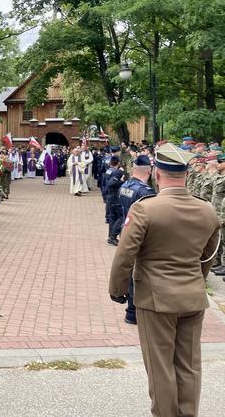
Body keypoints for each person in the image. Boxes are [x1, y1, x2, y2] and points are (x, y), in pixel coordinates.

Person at [109, 143, 220, 417]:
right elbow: (208, 257)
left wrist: (118, 289)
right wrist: (196, 281)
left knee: (160, 368)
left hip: (155, 299)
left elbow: (125, 254)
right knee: (189, 366)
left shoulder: (146, 209)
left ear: (156, 172)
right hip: (192, 297)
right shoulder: (207, 210)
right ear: (185, 174)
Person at [116, 155, 155, 325]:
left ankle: (131, 311)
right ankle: (134, 311)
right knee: (137, 274)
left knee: (130, 270)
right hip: (140, 235)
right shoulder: (145, 192)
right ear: (149, 171)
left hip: (126, 231)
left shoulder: (126, 185)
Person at [104, 156, 125, 246]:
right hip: (115, 197)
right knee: (121, 217)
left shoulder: (109, 170)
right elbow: (111, 184)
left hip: (110, 196)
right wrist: (122, 181)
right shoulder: (117, 172)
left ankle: (110, 237)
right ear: (118, 162)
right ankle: (113, 236)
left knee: (112, 218)